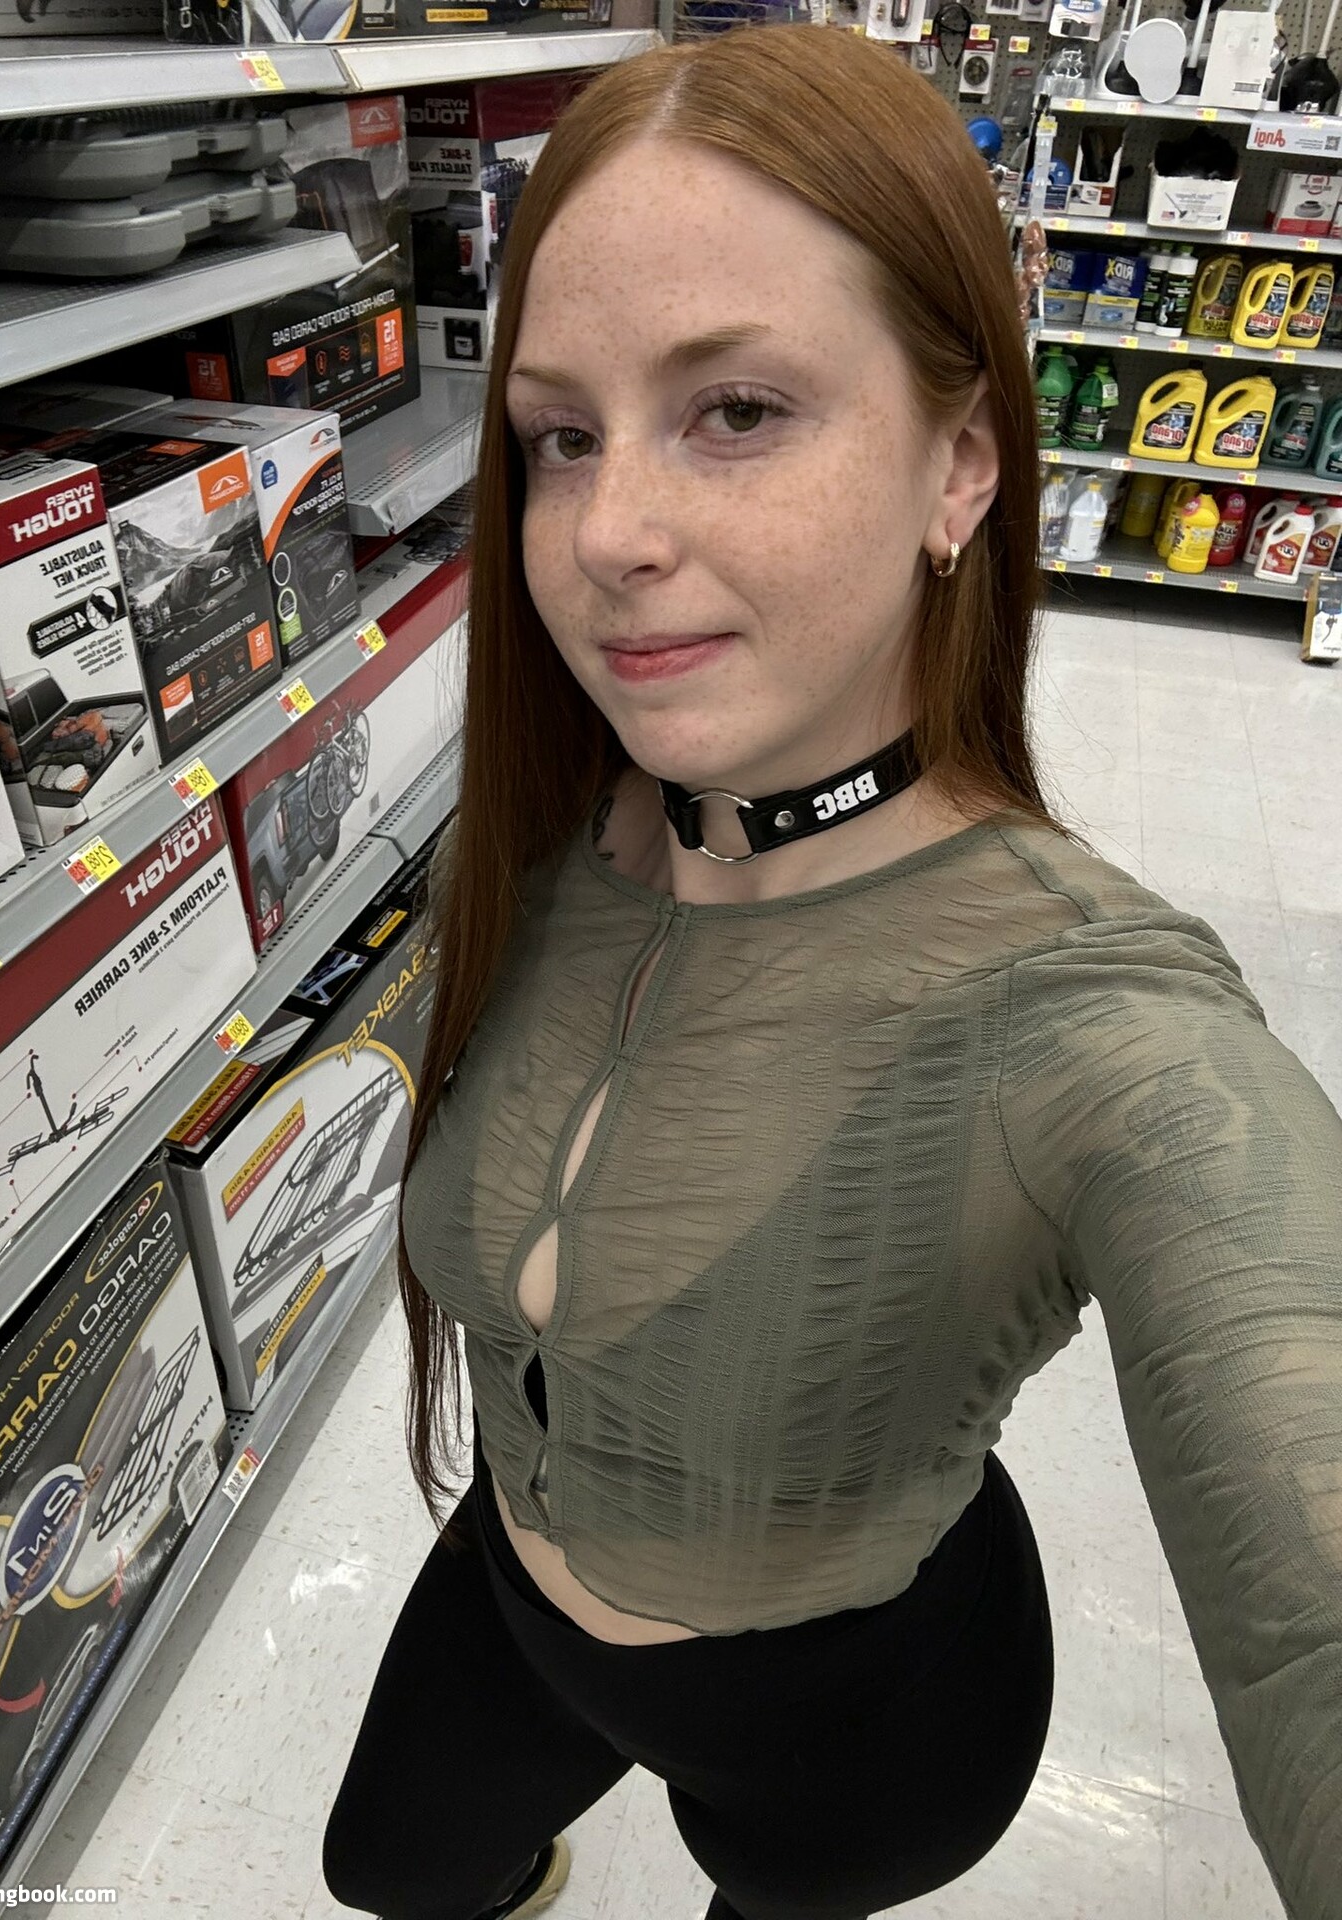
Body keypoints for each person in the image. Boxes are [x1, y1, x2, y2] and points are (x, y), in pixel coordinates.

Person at [322, 24, 1342, 1920]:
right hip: (515, 1588)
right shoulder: (551, 836)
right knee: (390, 1867)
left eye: (736, 410)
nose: (605, 533)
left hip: (871, 1719)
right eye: (561, 435)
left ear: (962, 464)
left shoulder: (1092, 1017)